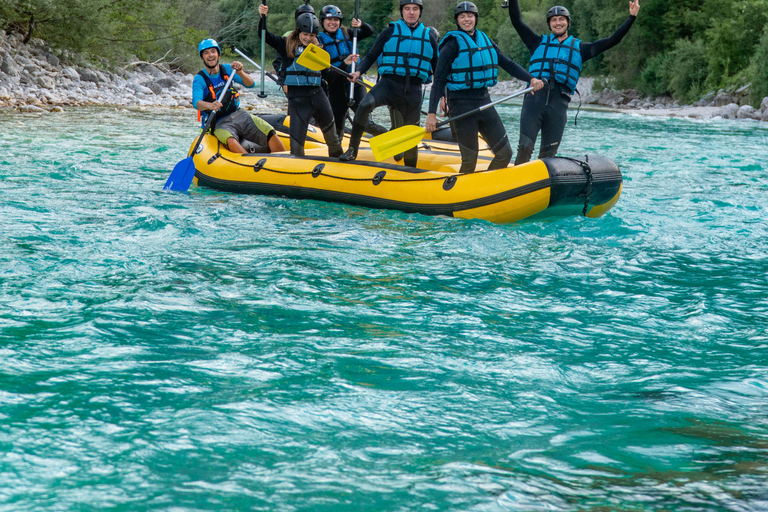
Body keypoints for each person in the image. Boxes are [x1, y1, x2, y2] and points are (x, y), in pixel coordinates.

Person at [507, 0, 640, 164]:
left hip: (559, 104)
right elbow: (517, 22)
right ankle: (517, 183)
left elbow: (613, 40)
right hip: (534, 100)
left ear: (568, 22)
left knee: (548, 156)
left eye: (561, 19)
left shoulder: (582, 49)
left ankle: (543, 185)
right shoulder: (536, 42)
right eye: (554, 20)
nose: (558, 23)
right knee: (525, 147)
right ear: (549, 24)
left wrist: (631, 17)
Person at [426, 2, 544, 174]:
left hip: (485, 103)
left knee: (505, 153)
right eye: (462, 16)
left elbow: (508, 64)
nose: (467, 19)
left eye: (470, 15)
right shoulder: (451, 44)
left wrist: (531, 78)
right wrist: (431, 114)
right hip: (461, 106)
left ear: (476, 18)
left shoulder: (485, 40)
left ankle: (487, 189)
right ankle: (462, 196)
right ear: (457, 20)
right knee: (469, 162)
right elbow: (439, 81)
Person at [340, 0, 439, 167]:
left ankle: (410, 170)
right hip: (388, 84)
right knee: (364, 106)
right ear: (402, 12)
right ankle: (352, 150)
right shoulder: (390, 30)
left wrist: (443, 97)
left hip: (413, 90)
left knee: (410, 139)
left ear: (420, 12)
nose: (411, 12)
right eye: (407, 9)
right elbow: (372, 55)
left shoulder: (429, 36)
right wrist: (358, 72)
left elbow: (438, 70)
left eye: (415, 9)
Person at [258, 6, 351, 157]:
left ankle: (338, 167)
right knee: (296, 148)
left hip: (319, 97)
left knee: (333, 140)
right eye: (305, 34)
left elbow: (328, 76)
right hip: (298, 100)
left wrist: (345, 66)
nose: (308, 38)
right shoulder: (285, 44)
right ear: (298, 31)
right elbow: (264, 36)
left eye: (312, 35)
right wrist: (263, 18)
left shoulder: (318, 50)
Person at [192, 39, 286, 154]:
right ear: (202, 58)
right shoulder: (199, 79)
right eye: (206, 53)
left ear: (218, 54)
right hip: (218, 122)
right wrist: (211, 105)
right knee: (231, 141)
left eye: (213, 51)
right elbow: (196, 102)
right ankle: (248, 167)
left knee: (270, 132)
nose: (210, 55)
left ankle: (283, 161)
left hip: (239, 114)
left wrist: (240, 72)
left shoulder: (227, 69)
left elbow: (250, 84)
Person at [316, 4, 386, 141]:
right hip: (336, 89)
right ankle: (336, 157)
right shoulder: (319, 43)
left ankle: (392, 140)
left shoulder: (348, 33)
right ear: (322, 21)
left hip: (356, 85)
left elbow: (370, 31)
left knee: (367, 124)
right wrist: (344, 63)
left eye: (336, 20)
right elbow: (328, 77)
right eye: (329, 20)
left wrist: (361, 25)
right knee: (336, 131)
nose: (333, 23)